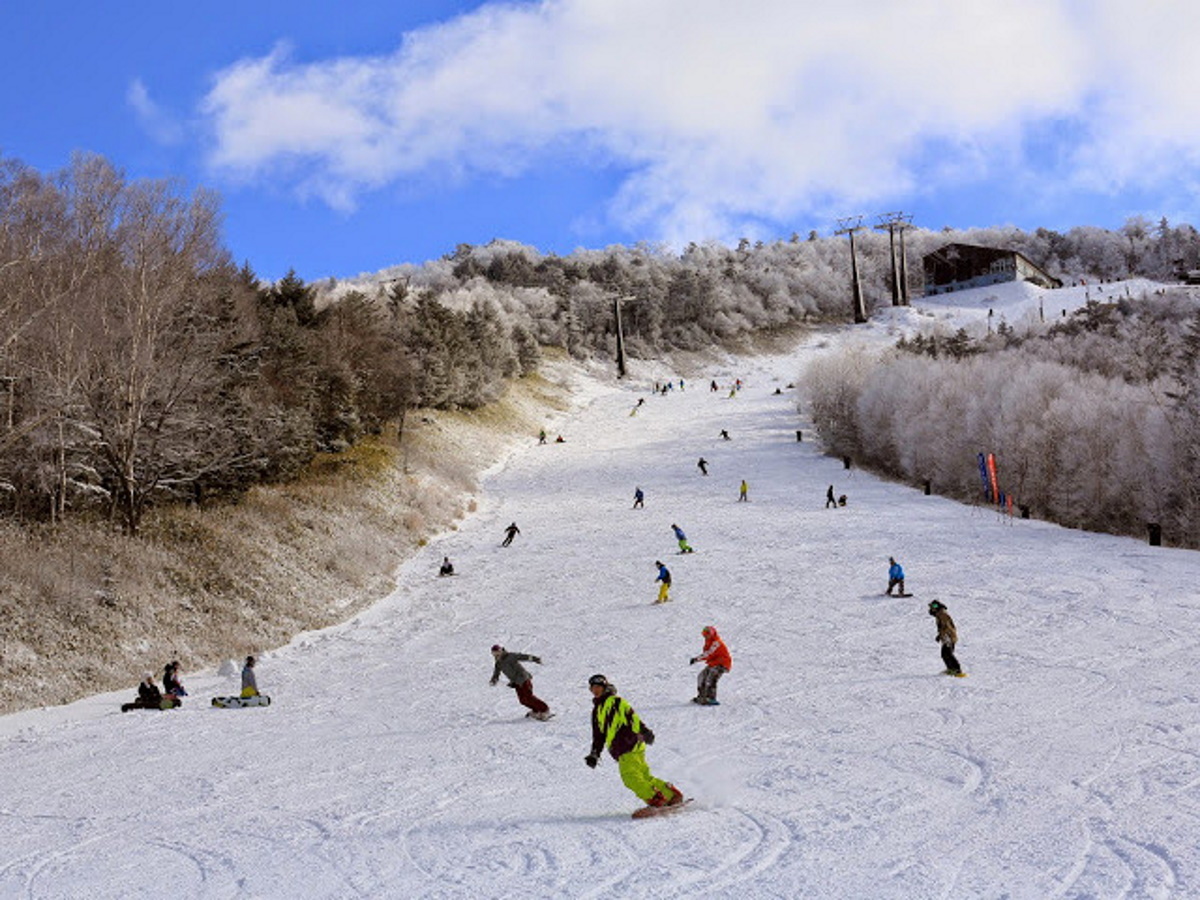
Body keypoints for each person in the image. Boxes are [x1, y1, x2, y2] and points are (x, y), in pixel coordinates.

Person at [584, 674, 683, 811]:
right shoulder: (597, 710)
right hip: (630, 746)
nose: (595, 690)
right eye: (593, 688)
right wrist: (594, 753)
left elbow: (632, 717)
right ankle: (670, 795)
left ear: (604, 687)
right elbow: (598, 735)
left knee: (630, 778)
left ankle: (655, 798)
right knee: (643, 776)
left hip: (626, 744)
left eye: (598, 687)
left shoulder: (615, 701)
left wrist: (645, 731)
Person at [489, 645, 551, 720]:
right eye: (494, 654)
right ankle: (536, 710)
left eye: (498, 652)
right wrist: (494, 679)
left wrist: (535, 659)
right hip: (516, 682)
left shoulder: (510, 656)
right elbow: (496, 672)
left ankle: (545, 710)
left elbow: (523, 656)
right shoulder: (498, 663)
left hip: (523, 678)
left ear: (502, 651)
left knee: (528, 696)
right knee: (523, 700)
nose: (496, 655)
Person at [689, 626, 732, 705]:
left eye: (707, 634)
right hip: (714, 663)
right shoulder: (708, 643)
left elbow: (708, 653)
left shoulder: (716, 642)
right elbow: (708, 654)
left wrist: (696, 659)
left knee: (711, 676)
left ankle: (711, 698)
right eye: (704, 634)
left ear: (712, 634)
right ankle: (702, 696)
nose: (705, 636)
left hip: (722, 663)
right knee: (701, 676)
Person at [928, 601, 964, 676]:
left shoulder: (942, 614)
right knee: (945, 654)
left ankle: (957, 669)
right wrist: (940, 635)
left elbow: (947, 627)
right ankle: (951, 669)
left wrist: (943, 635)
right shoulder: (940, 614)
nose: (931, 609)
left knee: (947, 653)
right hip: (947, 636)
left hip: (948, 636)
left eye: (933, 607)